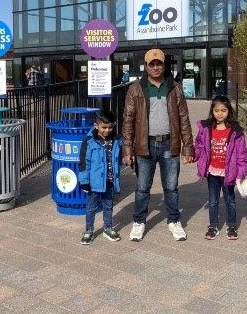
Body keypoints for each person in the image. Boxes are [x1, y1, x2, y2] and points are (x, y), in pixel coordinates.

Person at [122, 48, 194, 241]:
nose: (156, 67)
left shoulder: (174, 87)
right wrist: (127, 149)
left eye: (159, 63)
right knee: (143, 187)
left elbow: (184, 118)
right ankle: (139, 221)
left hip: (169, 144)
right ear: (146, 66)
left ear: (164, 65)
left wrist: (188, 147)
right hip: (144, 145)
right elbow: (128, 120)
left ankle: (173, 220)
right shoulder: (135, 88)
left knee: (171, 187)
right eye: (152, 64)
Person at [195, 95, 247, 240]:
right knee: (213, 200)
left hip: (229, 172)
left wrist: (241, 171)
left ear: (229, 111)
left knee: (230, 200)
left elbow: (242, 154)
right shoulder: (206, 129)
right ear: (212, 111)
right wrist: (194, 157)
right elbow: (199, 146)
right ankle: (213, 226)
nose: (220, 113)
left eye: (223, 110)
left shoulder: (236, 132)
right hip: (212, 171)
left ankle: (231, 226)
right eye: (217, 110)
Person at [78, 110, 122, 245]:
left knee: (108, 206)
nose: (107, 130)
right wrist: (84, 181)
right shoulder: (89, 141)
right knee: (91, 207)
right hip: (94, 182)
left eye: (110, 127)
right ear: (96, 126)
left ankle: (107, 228)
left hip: (109, 180)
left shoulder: (117, 140)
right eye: (104, 127)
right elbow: (84, 162)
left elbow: (119, 158)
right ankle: (89, 230)